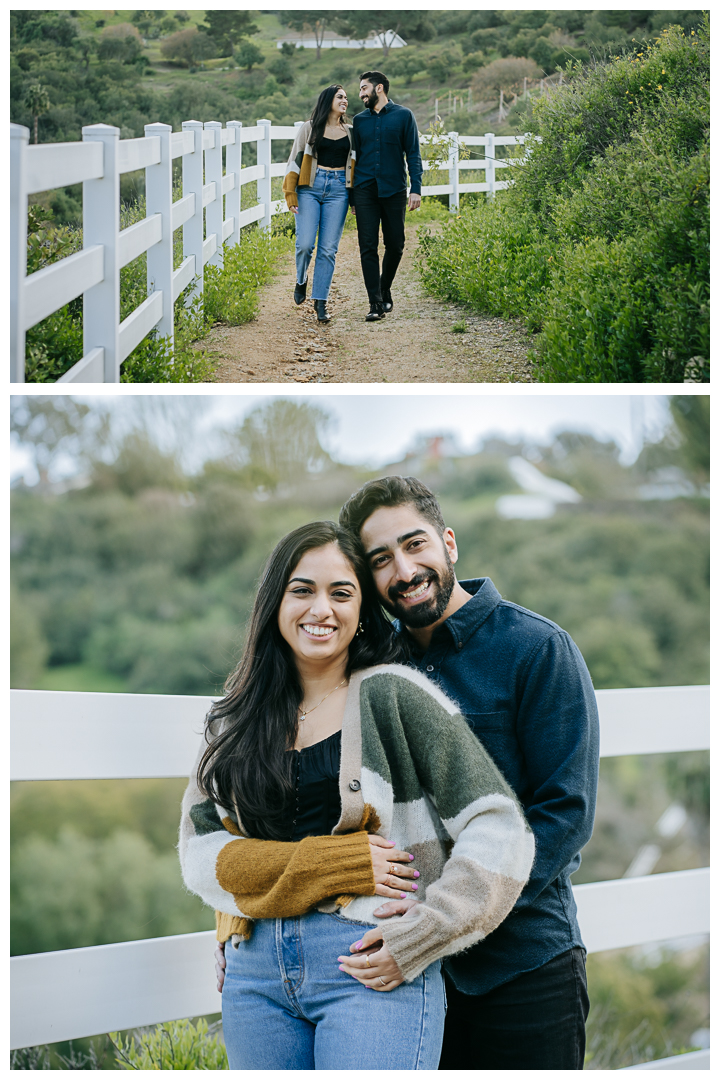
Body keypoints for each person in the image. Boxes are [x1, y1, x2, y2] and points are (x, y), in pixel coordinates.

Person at [180, 521, 534, 1071]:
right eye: (303, 590)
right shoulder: (235, 718)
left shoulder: (395, 696)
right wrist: (331, 864)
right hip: (253, 975)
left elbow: (500, 827)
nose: (321, 608)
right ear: (275, 600)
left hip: (368, 963)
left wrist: (428, 932)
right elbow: (201, 851)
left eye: (341, 593)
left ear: (361, 610)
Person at [338, 475, 600, 1071]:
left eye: (415, 545)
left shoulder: (538, 649)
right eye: (381, 559)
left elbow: (565, 815)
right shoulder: (374, 668)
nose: (403, 571)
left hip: (523, 966)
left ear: (448, 543)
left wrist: (445, 920)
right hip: (409, 978)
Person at [351, 71, 423, 322]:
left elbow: (413, 153)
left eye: (364, 89)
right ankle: (375, 303)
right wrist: (352, 198)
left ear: (379, 88)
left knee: (396, 244)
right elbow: (354, 159)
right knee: (367, 246)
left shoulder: (404, 116)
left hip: (394, 189)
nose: (360, 94)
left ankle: (384, 286)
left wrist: (416, 188)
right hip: (365, 190)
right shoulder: (359, 121)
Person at [282, 86, 354, 324]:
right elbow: (295, 159)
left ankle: (320, 301)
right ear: (328, 101)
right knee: (304, 244)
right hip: (309, 187)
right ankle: (301, 280)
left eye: (346, 97)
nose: (345, 100)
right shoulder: (310, 128)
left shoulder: (351, 132)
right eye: (340, 97)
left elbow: (355, 167)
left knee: (328, 250)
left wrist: (353, 198)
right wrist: (289, 193)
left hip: (339, 190)